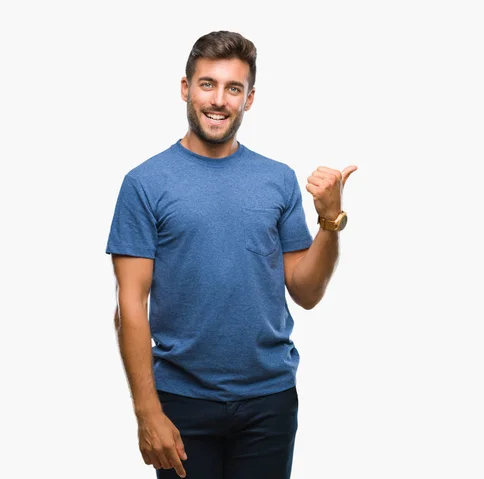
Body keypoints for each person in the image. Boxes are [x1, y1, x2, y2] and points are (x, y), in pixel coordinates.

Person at [105, 30, 357, 479]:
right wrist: (147, 412)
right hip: (182, 401)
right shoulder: (145, 183)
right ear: (186, 89)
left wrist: (329, 222)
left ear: (249, 98)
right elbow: (130, 305)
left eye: (233, 88)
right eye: (207, 84)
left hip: (269, 400)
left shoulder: (276, 179)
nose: (218, 100)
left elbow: (306, 291)